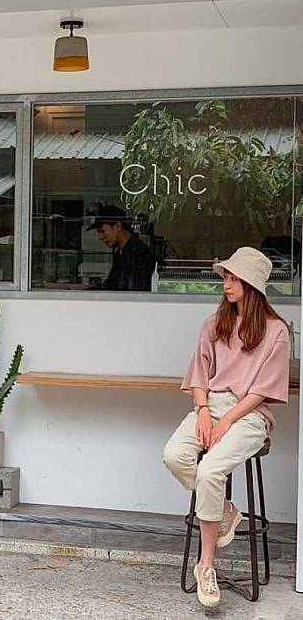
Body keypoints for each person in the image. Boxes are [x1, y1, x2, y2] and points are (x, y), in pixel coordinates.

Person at [163, 247, 289, 609]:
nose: (226, 284)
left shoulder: (276, 332)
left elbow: (263, 391)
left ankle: (205, 565)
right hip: (210, 406)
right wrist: (203, 411)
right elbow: (198, 375)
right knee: (174, 455)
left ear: (252, 285)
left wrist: (229, 419)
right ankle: (225, 510)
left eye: (234, 278)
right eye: (226, 277)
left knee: (210, 471)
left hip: (249, 415)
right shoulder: (213, 325)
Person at [87, 204, 156, 291]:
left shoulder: (139, 254)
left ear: (118, 226)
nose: (100, 237)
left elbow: (136, 292)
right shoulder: (120, 254)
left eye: (102, 231)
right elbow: (111, 286)